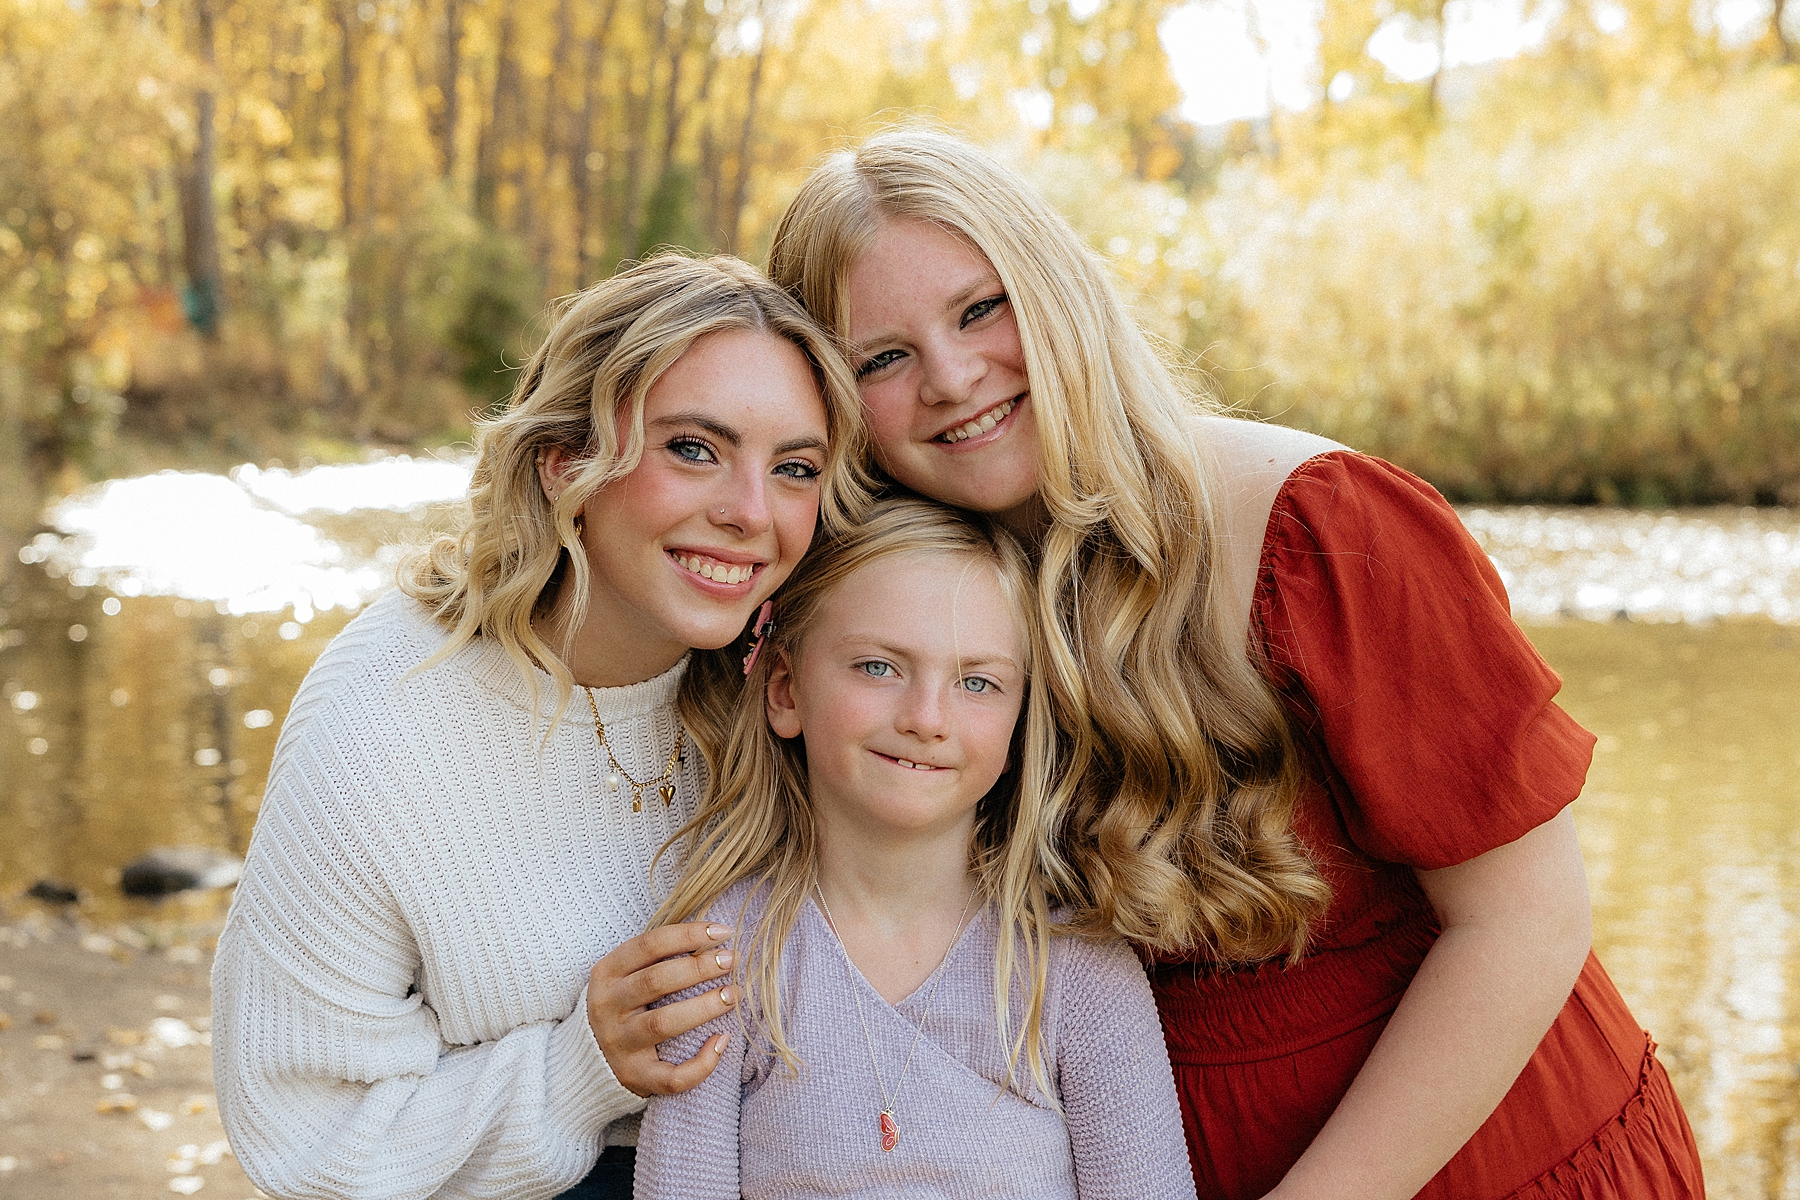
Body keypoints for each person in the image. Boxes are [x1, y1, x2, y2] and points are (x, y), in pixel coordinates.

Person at [765, 129, 1706, 1200]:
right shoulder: (869, 624)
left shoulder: (1317, 528)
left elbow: (1527, 920)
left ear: (1057, 287)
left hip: (1484, 1157)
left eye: (982, 309)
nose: (951, 377)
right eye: (880, 358)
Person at [211, 253, 871, 1200]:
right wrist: (576, 1068)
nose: (750, 514)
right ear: (568, 462)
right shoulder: (384, 728)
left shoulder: (790, 679)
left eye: (795, 468)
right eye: (694, 448)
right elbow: (310, 1132)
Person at [632, 496, 1197, 1199]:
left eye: (977, 682)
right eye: (877, 667)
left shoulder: (1076, 977)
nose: (927, 717)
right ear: (785, 690)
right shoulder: (724, 957)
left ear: (1021, 722)